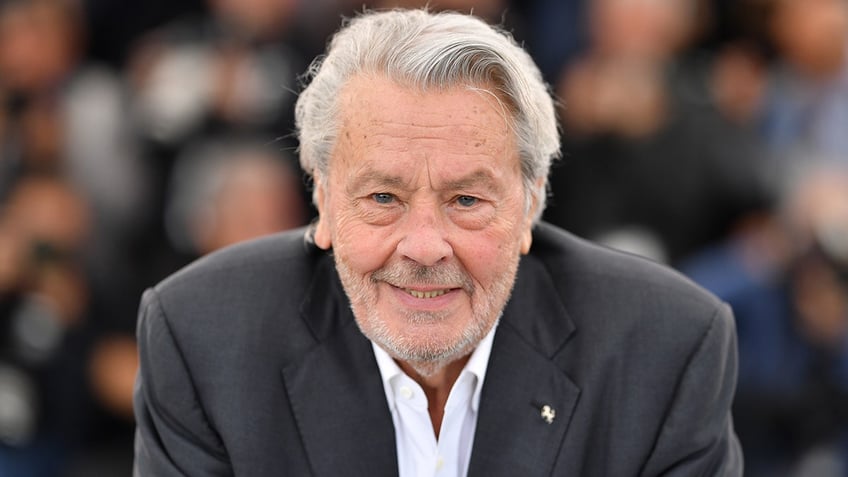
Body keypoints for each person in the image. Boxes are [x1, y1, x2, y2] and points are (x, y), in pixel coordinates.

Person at [133, 8, 743, 476]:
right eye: (382, 198)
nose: (424, 247)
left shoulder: (667, 347)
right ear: (321, 199)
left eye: (467, 201)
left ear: (530, 203)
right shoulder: (202, 337)